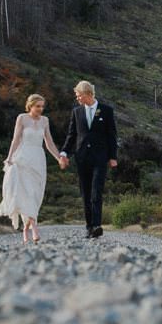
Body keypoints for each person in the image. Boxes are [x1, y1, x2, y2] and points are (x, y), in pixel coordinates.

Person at [0, 93, 62, 244]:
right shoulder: (22, 118)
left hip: (38, 159)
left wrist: (59, 157)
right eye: (37, 106)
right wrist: (9, 157)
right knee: (26, 192)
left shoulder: (45, 121)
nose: (41, 109)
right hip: (23, 158)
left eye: (42, 106)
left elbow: (49, 142)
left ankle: (26, 228)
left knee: (35, 194)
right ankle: (34, 228)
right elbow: (16, 139)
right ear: (30, 106)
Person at [59, 80, 118, 239]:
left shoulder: (106, 111)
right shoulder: (77, 112)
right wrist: (64, 152)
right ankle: (89, 226)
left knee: (96, 191)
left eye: (79, 95)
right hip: (82, 157)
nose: (77, 98)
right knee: (85, 192)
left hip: (100, 157)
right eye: (76, 96)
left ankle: (97, 225)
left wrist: (113, 156)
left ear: (89, 94)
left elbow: (111, 135)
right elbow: (72, 135)